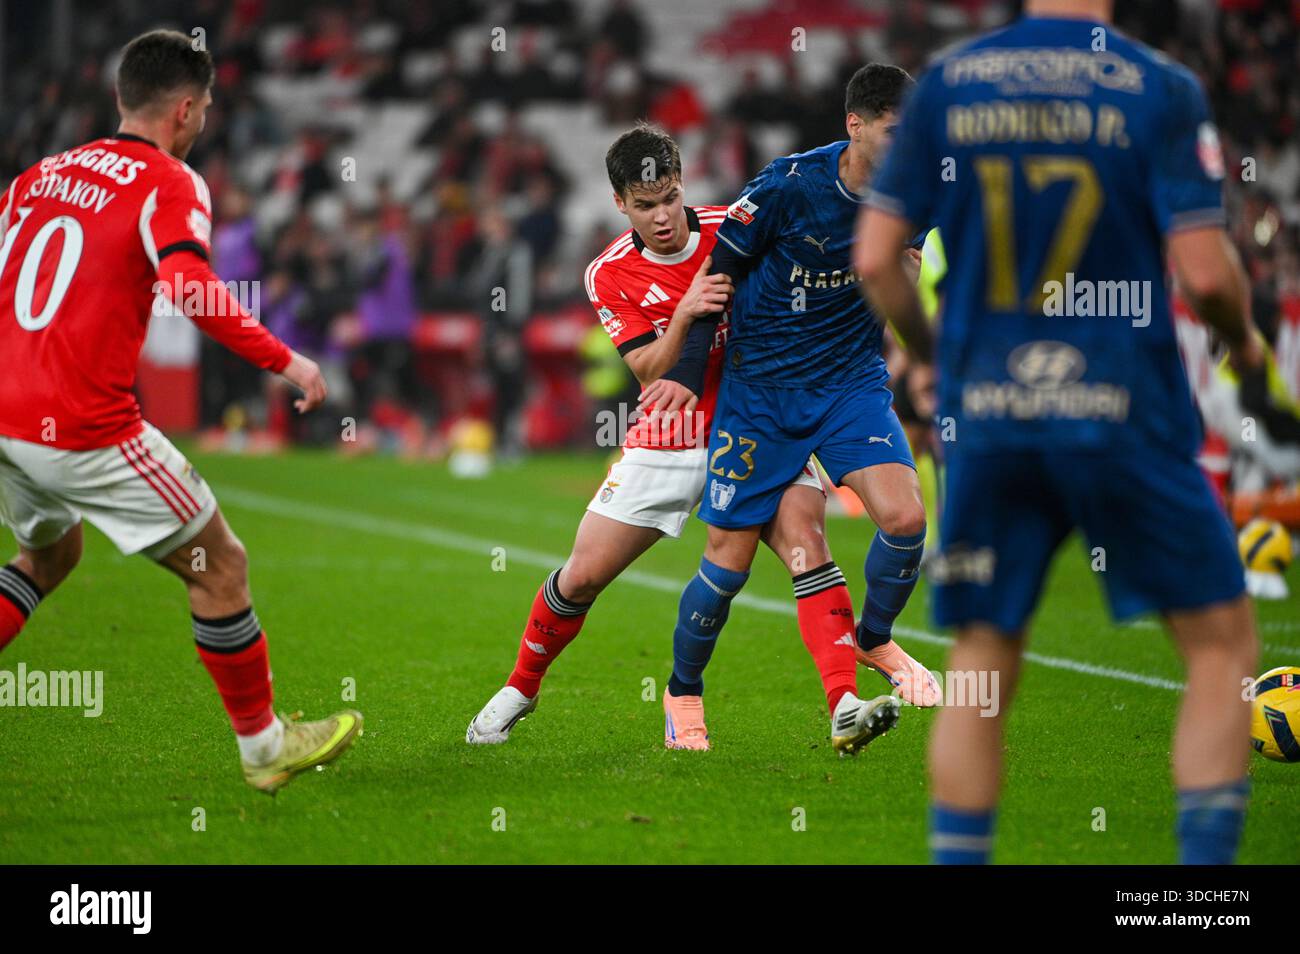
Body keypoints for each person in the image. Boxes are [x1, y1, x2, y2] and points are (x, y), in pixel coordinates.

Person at [857, 0, 1261, 863]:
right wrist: (1250, 349)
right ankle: (1201, 900)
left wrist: (931, 357)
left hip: (993, 413)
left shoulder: (949, 85)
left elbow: (874, 258)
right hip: (1125, 407)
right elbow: (1205, 274)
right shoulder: (1160, 85)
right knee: (1221, 645)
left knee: (981, 658)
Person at [467, 123, 916, 753]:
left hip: (757, 423)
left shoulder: (734, 226)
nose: (662, 216)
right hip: (668, 438)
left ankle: (842, 704)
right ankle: (521, 687)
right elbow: (650, 371)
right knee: (583, 577)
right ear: (620, 204)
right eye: (645, 205)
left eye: (670, 197)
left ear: (684, 188)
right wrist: (685, 312)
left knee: (808, 549)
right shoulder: (610, 273)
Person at [0, 30, 361, 794]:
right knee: (221, 564)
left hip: (7, 419)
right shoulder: (167, 180)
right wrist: (283, 358)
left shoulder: (38, 175)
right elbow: (190, 287)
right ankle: (264, 746)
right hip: (82, 426)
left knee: (50, 557)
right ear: (188, 110)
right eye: (206, 111)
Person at [649, 65, 943, 755]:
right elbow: (715, 275)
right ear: (856, 125)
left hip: (849, 383)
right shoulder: (786, 185)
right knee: (727, 566)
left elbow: (900, 282)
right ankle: (682, 690)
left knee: (905, 519)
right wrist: (690, 374)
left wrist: (930, 356)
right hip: (761, 394)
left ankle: (872, 641)